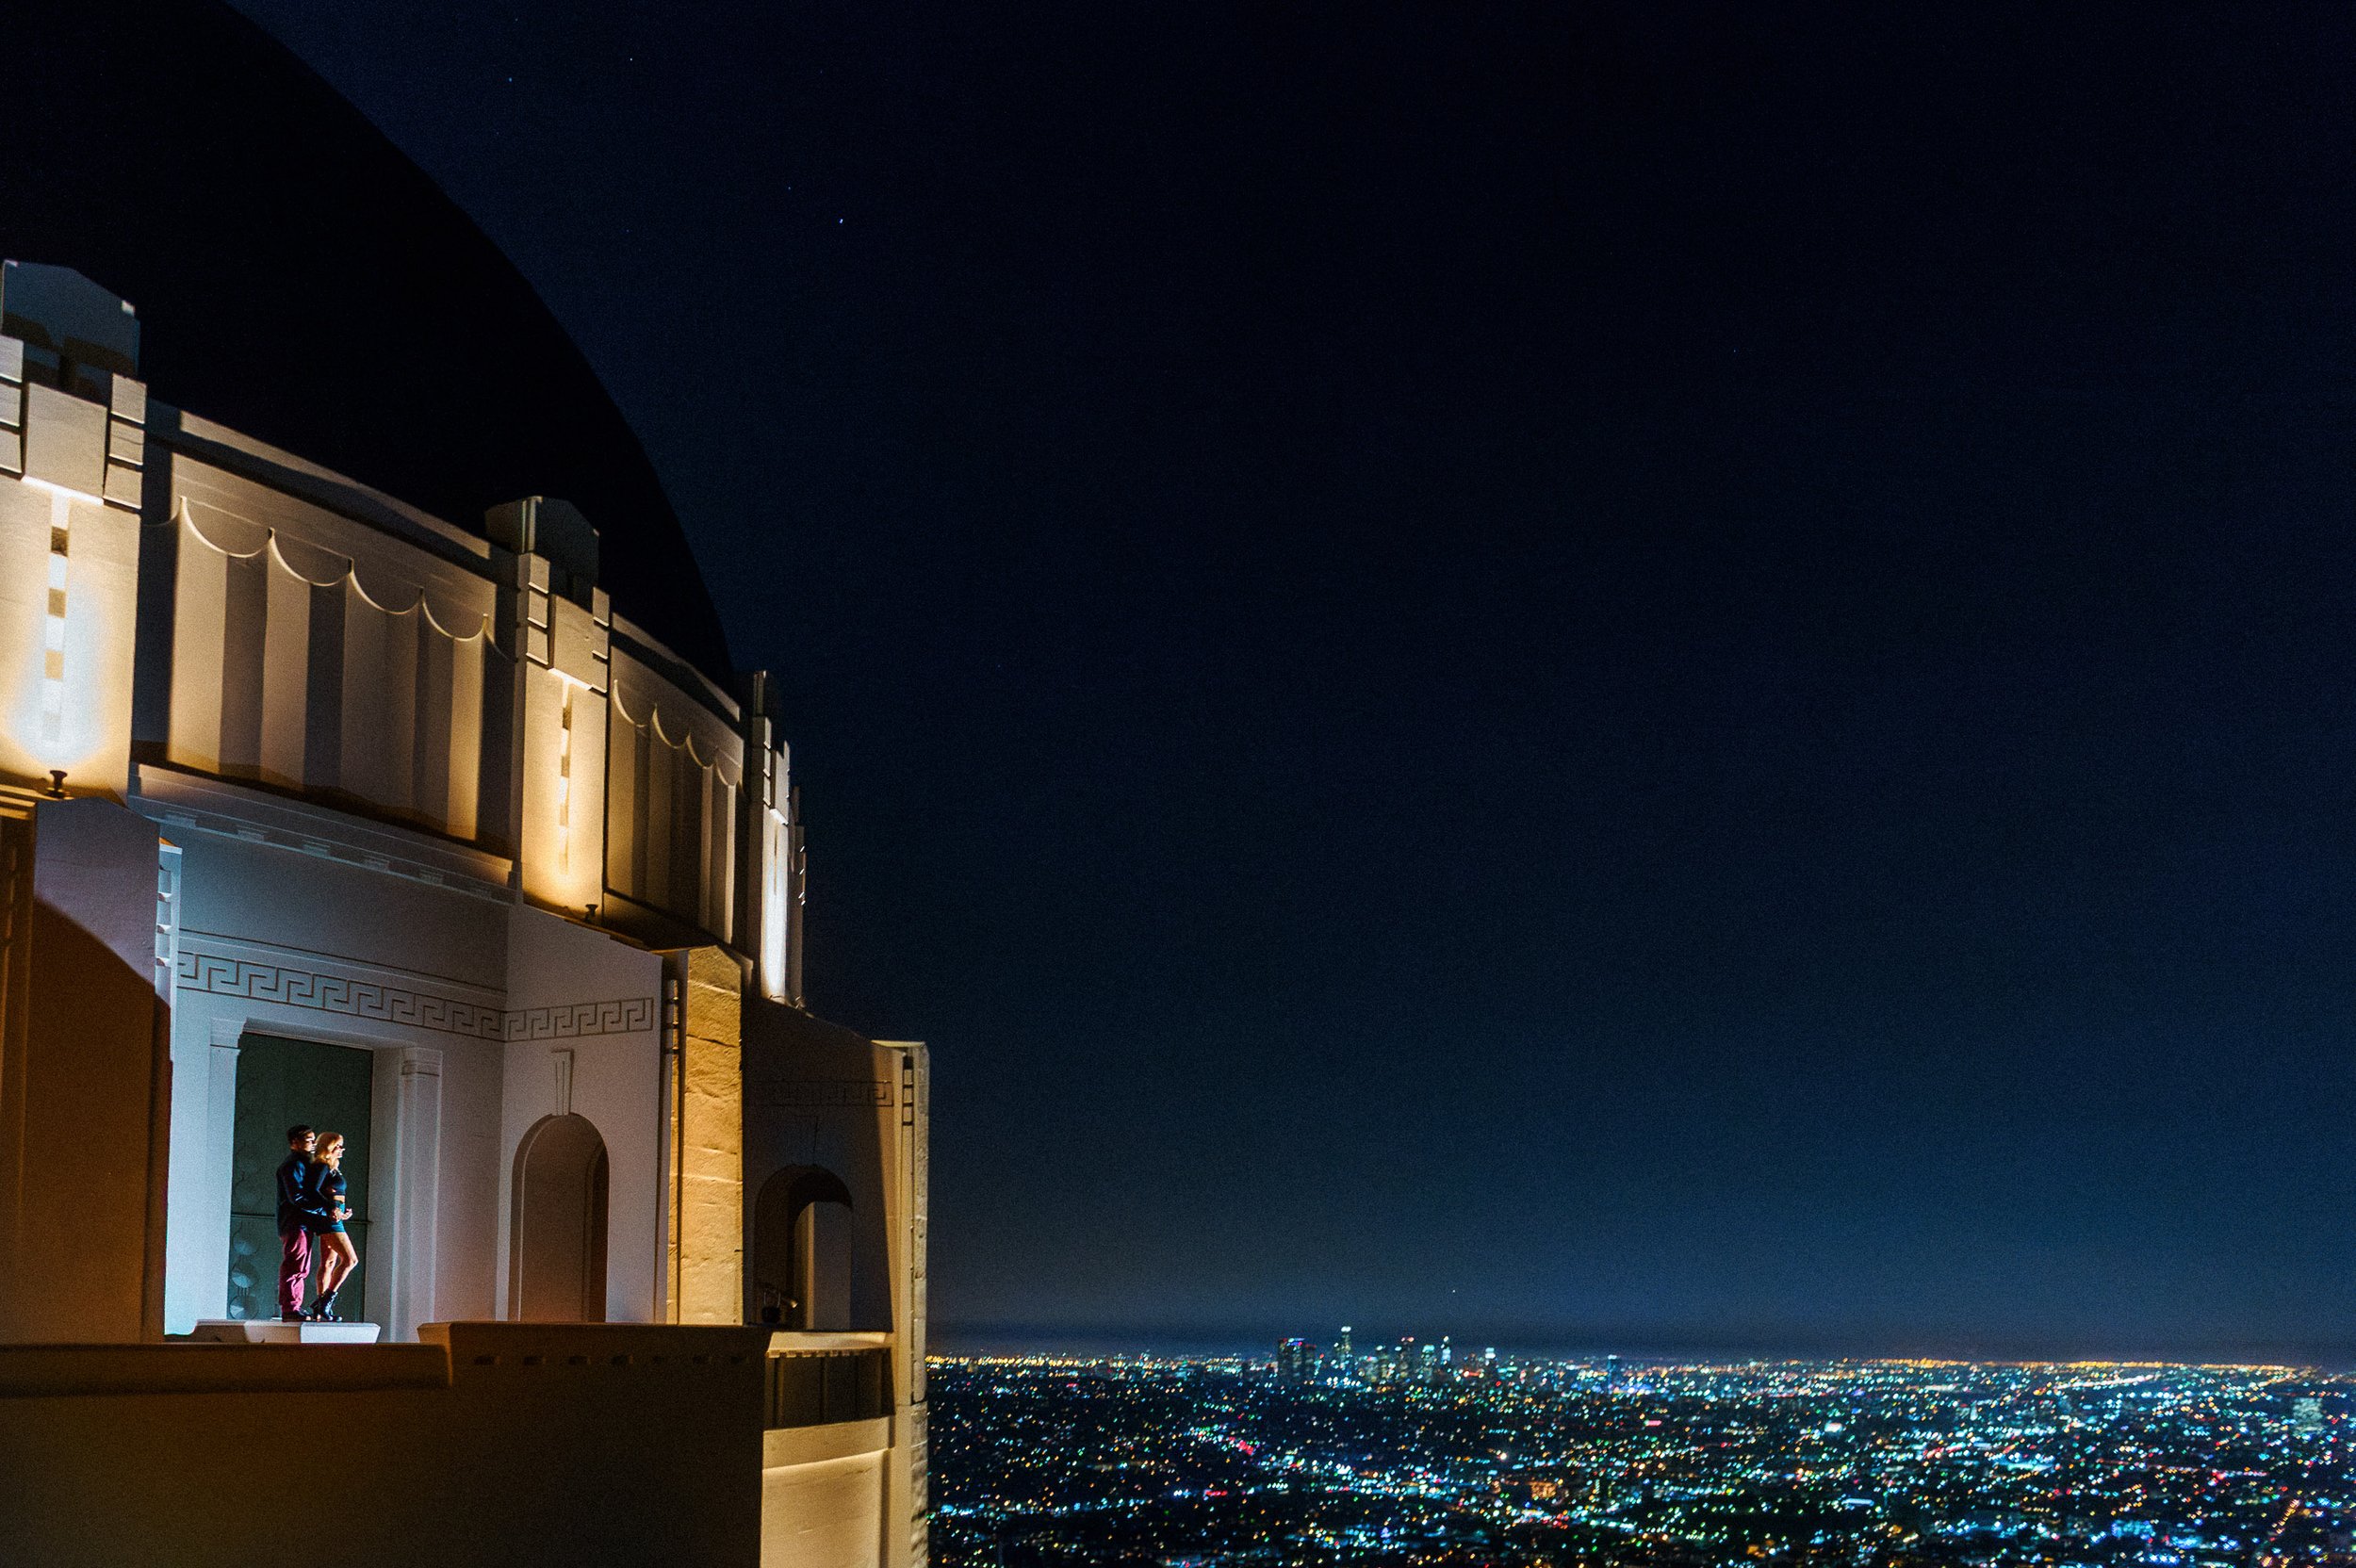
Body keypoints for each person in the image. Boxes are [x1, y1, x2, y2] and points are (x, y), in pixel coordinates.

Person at [305, 1132, 358, 1322]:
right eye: (338, 1146)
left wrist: (341, 1211)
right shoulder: (322, 1166)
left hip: (334, 1217)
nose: (341, 1150)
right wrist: (330, 1207)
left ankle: (321, 1307)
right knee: (350, 1260)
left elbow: (331, 1194)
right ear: (329, 1147)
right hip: (328, 1220)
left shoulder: (333, 1169)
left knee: (328, 1263)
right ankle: (325, 1301)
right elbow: (312, 1192)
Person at [274, 1124, 324, 1321]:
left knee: (300, 1265)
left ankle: (294, 1306)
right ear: (294, 1143)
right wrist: (323, 1209)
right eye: (308, 1140)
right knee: (296, 1264)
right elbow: (296, 1197)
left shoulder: (301, 1163)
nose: (313, 1144)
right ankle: (290, 1308)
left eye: (314, 1140)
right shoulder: (293, 1165)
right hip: (295, 1222)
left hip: (299, 1221)